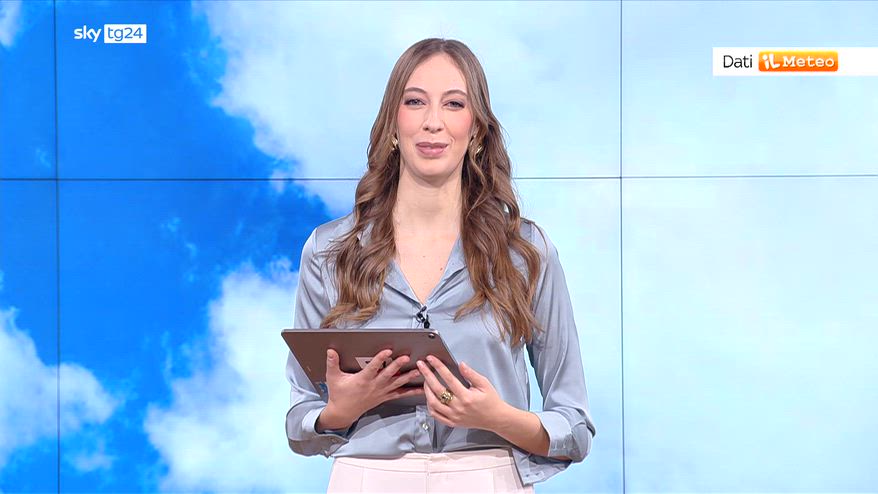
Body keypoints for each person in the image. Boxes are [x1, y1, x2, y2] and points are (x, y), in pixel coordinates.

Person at [285, 38, 596, 493]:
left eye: (454, 104)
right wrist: (339, 411)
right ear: (393, 124)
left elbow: (575, 426)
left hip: (489, 477)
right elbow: (299, 420)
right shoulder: (330, 250)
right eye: (415, 102)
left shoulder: (525, 251)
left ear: (477, 130)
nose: (433, 122)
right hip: (367, 478)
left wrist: (498, 417)